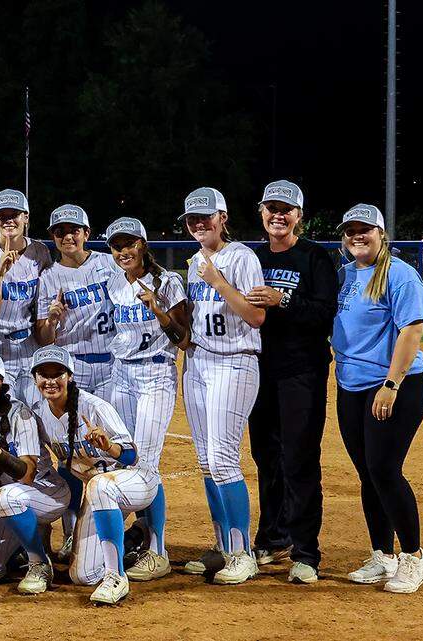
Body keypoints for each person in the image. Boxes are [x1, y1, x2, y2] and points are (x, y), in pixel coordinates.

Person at [332, 205, 423, 594]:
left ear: (381, 233)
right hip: (350, 386)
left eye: (365, 230)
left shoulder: (400, 275)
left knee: (385, 470)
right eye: (351, 230)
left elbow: (412, 330)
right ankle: (382, 555)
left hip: (391, 387)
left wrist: (391, 385)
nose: (358, 236)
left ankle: (414, 557)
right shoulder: (344, 274)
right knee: (368, 473)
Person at [244, 181, 339, 584]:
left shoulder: (315, 257)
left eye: (286, 209)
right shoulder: (251, 256)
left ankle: (306, 551)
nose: (278, 215)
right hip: (257, 369)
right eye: (271, 208)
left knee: (299, 458)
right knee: (266, 457)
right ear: (261, 212)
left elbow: (325, 314)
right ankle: (273, 537)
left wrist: (284, 301)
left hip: (302, 370)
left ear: (299, 215)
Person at [178, 187, 266, 585]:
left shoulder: (241, 257)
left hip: (235, 361)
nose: (199, 223)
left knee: (224, 458)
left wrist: (217, 280)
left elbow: (255, 317)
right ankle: (223, 546)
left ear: (223, 217)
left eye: (205, 217)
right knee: (206, 462)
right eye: (192, 219)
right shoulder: (195, 260)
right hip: (198, 362)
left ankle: (243, 552)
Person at [104, 216, 190, 581]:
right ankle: (140, 537)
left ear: (143, 244)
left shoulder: (167, 281)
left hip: (155, 373)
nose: (123, 251)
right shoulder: (112, 284)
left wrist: (158, 309)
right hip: (120, 374)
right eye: (116, 245)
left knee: (146, 463)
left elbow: (184, 338)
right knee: (121, 460)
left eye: (130, 243)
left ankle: (158, 551)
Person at [24, 346, 142, 605]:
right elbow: (42, 466)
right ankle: (125, 543)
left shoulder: (95, 407)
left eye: (58, 374)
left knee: (100, 484)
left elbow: (133, 457)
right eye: (44, 375)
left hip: (125, 483)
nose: (50, 381)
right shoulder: (39, 413)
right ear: (34, 379)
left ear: (70, 376)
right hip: (97, 494)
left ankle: (123, 565)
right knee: (83, 576)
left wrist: (109, 447)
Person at [33, 204, 117, 561]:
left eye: (75, 229)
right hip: (74, 369)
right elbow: (42, 336)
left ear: (86, 232)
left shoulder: (109, 264)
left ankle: (126, 532)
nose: (68, 236)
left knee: (116, 451)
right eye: (60, 231)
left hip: (114, 366)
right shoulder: (48, 276)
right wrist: (51, 320)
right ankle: (71, 531)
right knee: (70, 454)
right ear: (53, 238)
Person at [0, 350, 69, 592]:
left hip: (45, 492)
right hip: (7, 501)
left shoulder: (21, 415)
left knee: (7, 495)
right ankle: (24, 539)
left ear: (0, 380)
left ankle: (39, 563)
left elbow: (27, 474)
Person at [0, 188, 52, 386]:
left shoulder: (40, 251)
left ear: (25, 217)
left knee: (33, 408)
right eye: (1, 216)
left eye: (14, 215)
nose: (8, 221)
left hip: (27, 343)